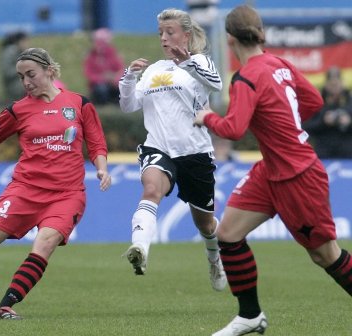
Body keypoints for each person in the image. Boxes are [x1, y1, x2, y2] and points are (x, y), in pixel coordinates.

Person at [193, 5, 352, 336]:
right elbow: (313, 102)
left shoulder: (246, 76)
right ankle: (250, 316)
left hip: (298, 175)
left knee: (325, 256)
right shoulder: (280, 65)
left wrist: (206, 116)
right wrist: (279, 124)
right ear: (260, 32)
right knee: (229, 235)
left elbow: (233, 129)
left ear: (229, 38)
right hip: (272, 169)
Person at [0, 47, 111, 319]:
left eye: (31, 74)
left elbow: (96, 143)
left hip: (66, 194)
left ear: (49, 70)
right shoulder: (18, 110)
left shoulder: (79, 104)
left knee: (45, 243)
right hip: (25, 190)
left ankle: (4, 306)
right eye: (21, 76)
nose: (26, 82)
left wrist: (102, 169)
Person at [119, 8, 227, 292]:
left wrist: (188, 63)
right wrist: (129, 78)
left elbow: (216, 84)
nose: (164, 39)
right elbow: (128, 106)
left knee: (204, 223)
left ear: (186, 35)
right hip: (158, 147)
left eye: (170, 33)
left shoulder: (200, 61)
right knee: (151, 189)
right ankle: (140, 249)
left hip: (194, 151)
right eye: (160, 34)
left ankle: (215, 259)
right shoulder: (154, 69)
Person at [303, 66, 352, 158]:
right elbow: (306, 127)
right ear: (326, 84)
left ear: (342, 83)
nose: (334, 87)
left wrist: (349, 122)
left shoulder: (350, 101)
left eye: (336, 84)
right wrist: (323, 121)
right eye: (332, 84)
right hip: (324, 153)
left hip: (347, 154)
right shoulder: (317, 102)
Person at [84, 27, 124, 105]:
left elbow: (121, 69)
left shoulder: (112, 54)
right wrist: (103, 78)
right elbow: (89, 75)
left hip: (113, 83)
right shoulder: (91, 57)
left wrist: (114, 78)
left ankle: (117, 103)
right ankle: (102, 104)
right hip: (98, 85)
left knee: (120, 87)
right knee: (101, 89)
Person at [0, 31, 30, 102]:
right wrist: (22, 69)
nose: (27, 44)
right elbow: (7, 72)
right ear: (19, 41)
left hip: (21, 83)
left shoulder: (23, 52)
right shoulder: (10, 52)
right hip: (14, 85)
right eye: (25, 41)